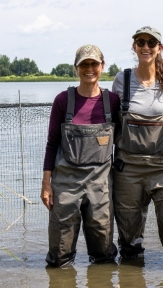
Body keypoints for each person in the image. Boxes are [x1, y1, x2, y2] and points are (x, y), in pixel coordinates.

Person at [112, 26, 163, 266]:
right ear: (134, 47)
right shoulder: (121, 80)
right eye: (141, 42)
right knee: (128, 239)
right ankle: (132, 275)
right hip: (129, 170)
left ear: (159, 48)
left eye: (151, 43)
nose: (146, 47)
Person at [40, 44, 120, 267]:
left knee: (103, 255)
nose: (89, 69)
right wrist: (46, 184)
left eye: (94, 64)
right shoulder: (63, 100)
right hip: (66, 185)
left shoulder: (112, 102)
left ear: (102, 66)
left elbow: (122, 143)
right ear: (76, 68)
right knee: (59, 256)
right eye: (84, 64)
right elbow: (51, 144)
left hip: (100, 185)